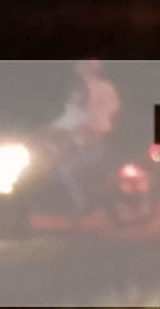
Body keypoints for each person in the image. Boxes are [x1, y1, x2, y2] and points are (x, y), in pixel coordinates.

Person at [50, 58, 122, 213]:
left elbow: (110, 110)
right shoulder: (78, 95)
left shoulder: (102, 88)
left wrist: (90, 127)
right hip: (79, 141)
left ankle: (80, 203)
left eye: (84, 67)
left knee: (65, 169)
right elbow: (64, 122)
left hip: (96, 141)